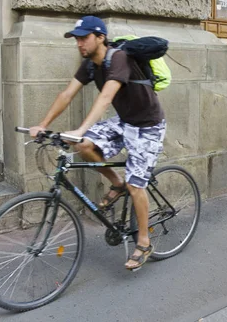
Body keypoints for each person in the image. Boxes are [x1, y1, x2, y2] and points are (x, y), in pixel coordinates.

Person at [29, 15, 166, 271]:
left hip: (148, 125)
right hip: (125, 120)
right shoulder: (89, 65)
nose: (79, 43)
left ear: (100, 37)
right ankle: (117, 183)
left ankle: (144, 242)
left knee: (137, 186)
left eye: (84, 37)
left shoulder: (119, 58)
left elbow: (105, 98)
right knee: (85, 146)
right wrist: (43, 124)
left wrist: (81, 128)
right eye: (77, 39)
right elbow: (67, 94)